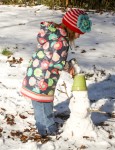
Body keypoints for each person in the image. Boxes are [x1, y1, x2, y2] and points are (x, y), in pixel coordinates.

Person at [20, 8, 92, 137]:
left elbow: (52, 57)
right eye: (78, 33)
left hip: (35, 74)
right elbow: (56, 63)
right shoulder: (62, 41)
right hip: (43, 79)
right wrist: (68, 66)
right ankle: (48, 130)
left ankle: (42, 126)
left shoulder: (53, 34)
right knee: (44, 105)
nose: (79, 36)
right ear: (71, 28)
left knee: (39, 105)